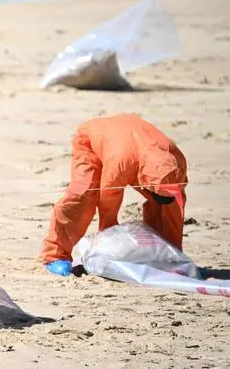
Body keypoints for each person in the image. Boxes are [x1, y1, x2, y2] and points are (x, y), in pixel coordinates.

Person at [41, 113, 188, 277]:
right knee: (81, 195)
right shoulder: (123, 162)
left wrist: (175, 255)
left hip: (134, 143)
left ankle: (161, 255)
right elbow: (108, 197)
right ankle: (54, 255)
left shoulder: (176, 159)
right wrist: (108, 240)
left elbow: (175, 206)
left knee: (164, 204)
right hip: (93, 141)